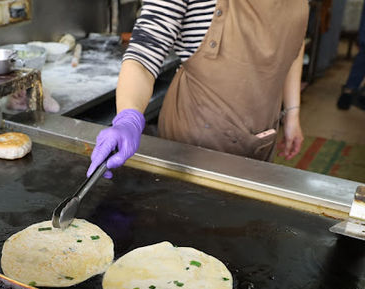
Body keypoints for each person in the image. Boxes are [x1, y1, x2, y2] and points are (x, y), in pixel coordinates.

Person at [87, 0, 309, 179]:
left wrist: (292, 112)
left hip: (263, 136)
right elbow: (143, 55)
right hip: (194, 144)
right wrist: (128, 117)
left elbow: (294, 45)